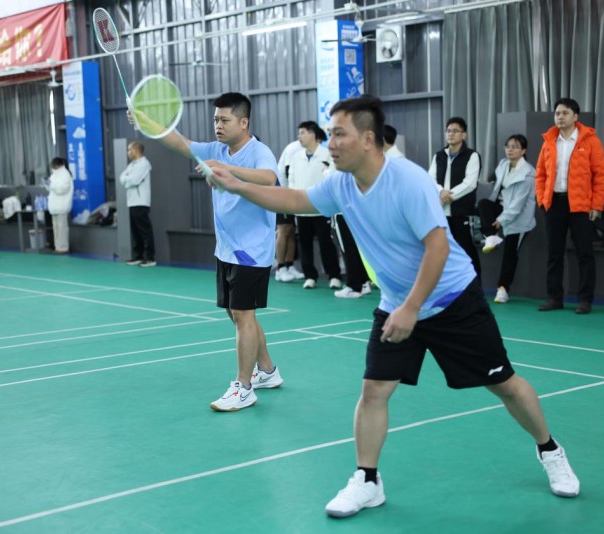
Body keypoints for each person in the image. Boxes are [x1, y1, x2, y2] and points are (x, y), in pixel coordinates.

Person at [207, 95, 580, 518]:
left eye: (339, 134)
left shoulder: (407, 180)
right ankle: (367, 480)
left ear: (368, 139)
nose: (331, 143)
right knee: (374, 391)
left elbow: (438, 247)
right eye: (330, 135)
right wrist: (238, 186)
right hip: (397, 303)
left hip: (452, 300)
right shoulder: (342, 183)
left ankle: (550, 450)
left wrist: (411, 309)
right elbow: (295, 200)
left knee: (504, 384)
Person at [131, 92, 283, 411]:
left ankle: (243, 388)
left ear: (244, 122)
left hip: (251, 250)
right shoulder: (215, 149)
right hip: (226, 248)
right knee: (236, 313)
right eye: (216, 119)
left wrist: (228, 170)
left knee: (242, 315)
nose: (218, 125)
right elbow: (181, 143)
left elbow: (269, 178)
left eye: (225, 120)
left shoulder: (259, 152)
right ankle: (268, 371)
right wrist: (145, 123)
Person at [535, 97, 604, 315]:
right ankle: (554, 298)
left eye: (565, 113)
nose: (560, 117)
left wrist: (596, 205)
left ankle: (585, 300)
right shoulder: (549, 142)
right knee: (554, 254)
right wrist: (542, 200)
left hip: (580, 205)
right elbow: (540, 174)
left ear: (575, 116)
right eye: (557, 113)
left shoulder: (591, 141)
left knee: (584, 253)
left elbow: (601, 175)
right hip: (553, 204)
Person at [478, 134, 537, 303]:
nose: (510, 150)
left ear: (523, 151)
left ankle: (503, 289)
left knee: (510, 253)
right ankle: (491, 237)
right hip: (502, 208)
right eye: (508, 146)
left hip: (519, 218)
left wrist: (501, 220)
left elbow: (518, 205)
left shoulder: (528, 174)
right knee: (483, 204)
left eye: (515, 147)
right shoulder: (503, 165)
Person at [289, 121, 342, 290]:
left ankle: (334, 276)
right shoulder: (296, 157)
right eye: (299, 133)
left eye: (302, 133)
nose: (299, 137)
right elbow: (292, 179)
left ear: (312, 135)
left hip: (322, 208)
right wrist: (294, 201)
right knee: (304, 244)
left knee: (326, 243)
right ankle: (310, 276)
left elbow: (332, 178)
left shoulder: (327, 154)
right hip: (301, 208)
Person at [428, 117, 482, 279]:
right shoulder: (439, 156)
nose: (450, 134)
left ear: (463, 135)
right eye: (448, 131)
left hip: (461, 212)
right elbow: (430, 178)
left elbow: (470, 183)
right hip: (441, 213)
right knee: (442, 252)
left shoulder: (472, 156)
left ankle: (475, 285)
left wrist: (447, 196)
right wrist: (440, 192)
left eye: (455, 131)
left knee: (467, 251)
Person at [119, 141, 156, 267]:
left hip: (141, 202)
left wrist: (128, 179)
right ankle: (138, 256)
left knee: (145, 230)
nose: (128, 152)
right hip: (132, 202)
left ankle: (150, 258)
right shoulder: (132, 165)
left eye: (129, 149)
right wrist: (128, 179)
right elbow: (122, 178)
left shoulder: (144, 164)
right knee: (135, 231)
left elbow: (134, 180)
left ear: (136, 150)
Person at [274, 140, 304, 282]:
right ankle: (280, 268)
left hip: (293, 196)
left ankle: (290, 265)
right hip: (283, 194)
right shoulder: (293, 148)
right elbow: (285, 173)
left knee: (292, 231)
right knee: (283, 229)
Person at [46, 157, 74, 254]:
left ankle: (63, 248)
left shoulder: (65, 175)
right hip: (54, 206)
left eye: (55, 165)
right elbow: (50, 188)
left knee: (62, 228)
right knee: (56, 228)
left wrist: (51, 185)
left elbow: (61, 189)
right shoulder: (54, 175)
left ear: (60, 164)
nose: (54, 167)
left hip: (62, 205)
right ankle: (58, 247)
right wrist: (47, 184)